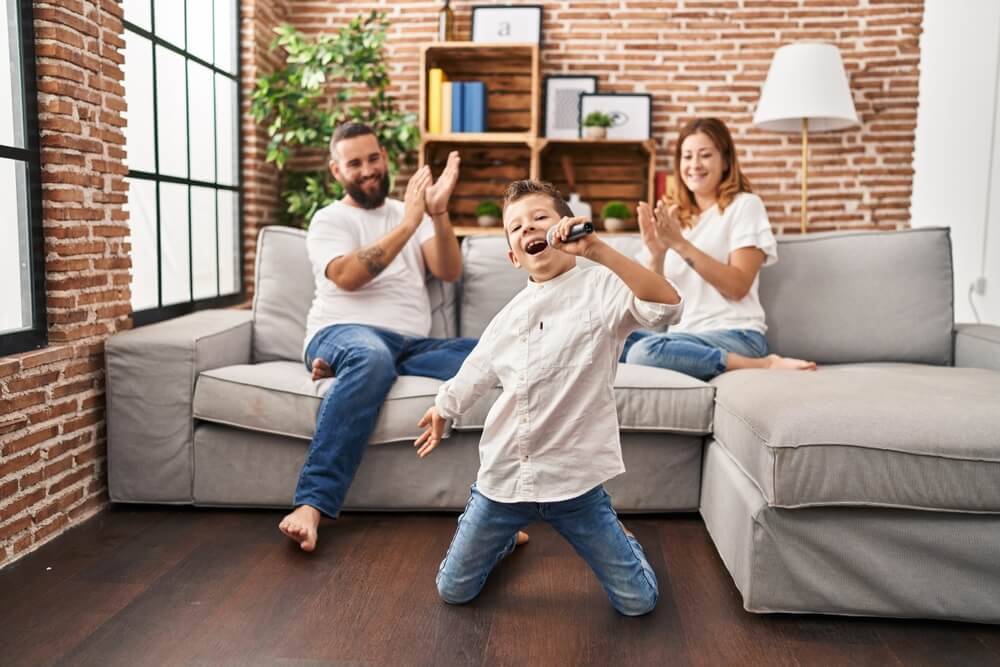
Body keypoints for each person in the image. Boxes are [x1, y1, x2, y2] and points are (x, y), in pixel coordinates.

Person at [413, 180, 683, 616]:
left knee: (639, 603)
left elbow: (666, 307)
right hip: (504, 480)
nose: (528, 228)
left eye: (540, 218)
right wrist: (443, 407)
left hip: (574, 482)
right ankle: (504, 538)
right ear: (514, 256)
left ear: (566, 229)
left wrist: (597, 250)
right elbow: (477, 368)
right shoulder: (508, 315)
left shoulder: (599, 287)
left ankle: (622, 539)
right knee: (453, 590)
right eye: (516, 227)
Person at [279, 122, 476, 552]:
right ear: (336, 170)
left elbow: (448, 271)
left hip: (411, 346)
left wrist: (437, 214)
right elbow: (348, 277)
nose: (367, 170)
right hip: (343, 331)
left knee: (495, 354)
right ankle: (311, 504)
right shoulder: (330, 219)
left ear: (384, 157)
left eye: (373, 158)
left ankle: (503, 508)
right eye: (354, 163)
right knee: (370, 357)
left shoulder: (416, 213)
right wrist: (410, 221)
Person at [622, 117, 816, 381]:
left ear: (725, 161)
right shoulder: (675, 219)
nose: (694, 165)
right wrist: (657, 253)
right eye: (687, 156)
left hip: (737, 334)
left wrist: (680, 244)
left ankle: (763, 364)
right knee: (614, 338)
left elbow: (738, 287)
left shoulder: (745, 206)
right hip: (682, 336)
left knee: (644, 352)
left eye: (705, 155)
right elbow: (655, 310)